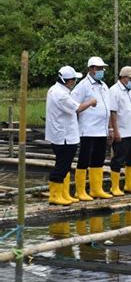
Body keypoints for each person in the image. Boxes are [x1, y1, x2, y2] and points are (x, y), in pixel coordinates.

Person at [45, 66, 97, 205]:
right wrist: (91, 101)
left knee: (65, 165)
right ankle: (55, 195)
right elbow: (77, 108)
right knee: (62, 166)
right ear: (67, 80)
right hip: (63, 136)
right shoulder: (60, 94)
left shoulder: (56, 90)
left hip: (63, 134)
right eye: (73, 79)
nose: (74, 82)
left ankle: (62, 193)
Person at [71, 56, 113, 200]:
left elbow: (107, 108)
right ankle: (80, 191)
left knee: (98, 159)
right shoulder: (83, 85)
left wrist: (110, 129)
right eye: (98, 68)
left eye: (102, 68)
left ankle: (96, 189)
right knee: (84, 158)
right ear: (91, 69)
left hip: (101, 130)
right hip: (87, 129)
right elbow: (73, 105)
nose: (101, 71)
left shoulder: (104, 86)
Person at [109, 66, 131, 195]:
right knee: (118, 159)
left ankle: (130, 185)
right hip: (122, 132)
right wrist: (114, 131)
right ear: (123, 78)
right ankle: (115, 186)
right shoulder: (114, 91)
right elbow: (112, 112)